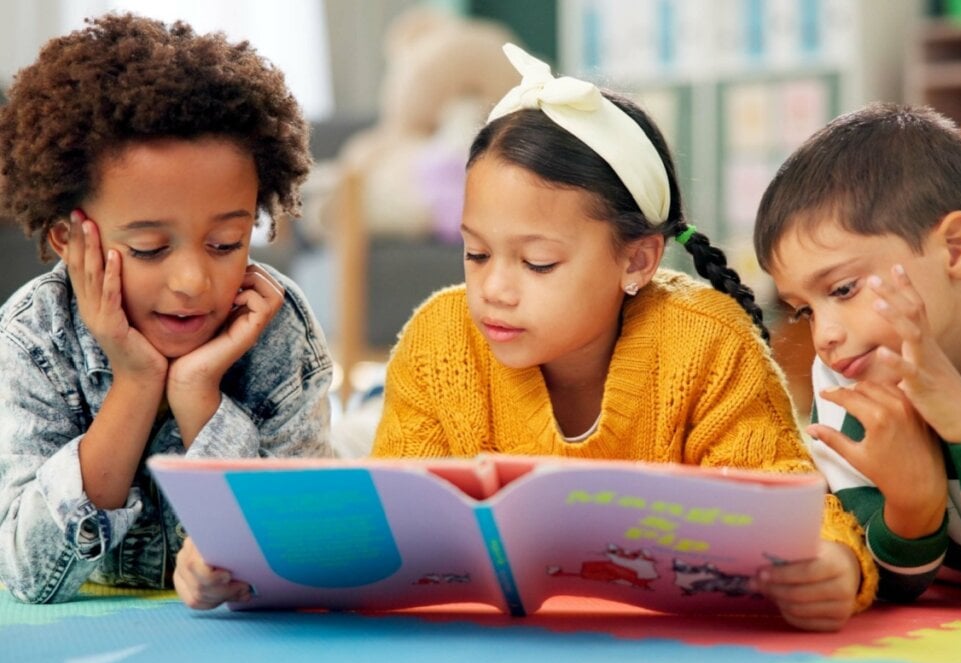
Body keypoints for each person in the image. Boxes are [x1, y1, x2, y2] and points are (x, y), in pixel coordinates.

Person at [368, 44, 876, 631]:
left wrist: (832, 564)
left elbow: (786, 491)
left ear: (637, 261)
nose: (494, 289)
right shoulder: (439, 340)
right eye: (476, 253)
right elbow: (394, 517)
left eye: (537, 263)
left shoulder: (707, 341)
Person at [0, 13, 334, 606]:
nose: (192, 281)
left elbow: (307, 549)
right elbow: (28, 573)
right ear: (66, 240)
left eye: (227, 244)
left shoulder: (274, 322)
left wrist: (200, 393)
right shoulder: (33, 337)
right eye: (151, 249)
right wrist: (136, 381)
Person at [753, 102, 961, 602]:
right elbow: (888, 586)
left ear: (958, 249)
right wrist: (911, 505)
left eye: (841, 290)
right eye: (804, 311)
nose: (824, 336)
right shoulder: (846, 391)